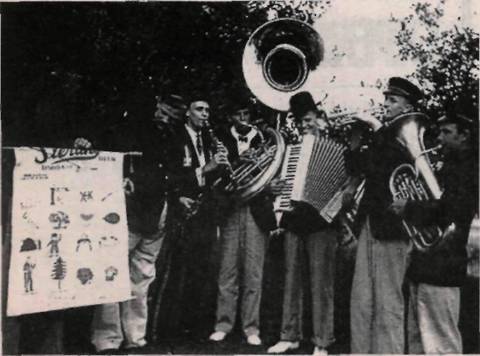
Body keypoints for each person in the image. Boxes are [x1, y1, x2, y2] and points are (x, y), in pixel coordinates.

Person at [88, 91, 180, 353]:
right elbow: (107, 159)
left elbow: (174, 174)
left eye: (171, 117)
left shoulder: (173, 139)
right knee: (111, 273)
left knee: (142, 277)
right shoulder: (129, 130)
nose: (165, 119)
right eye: (163, 113)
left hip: (156, 215)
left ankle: (134, 338)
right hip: (127, 211)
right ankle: (107, 339)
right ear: (156, 106)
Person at [346, 77, 424, 354]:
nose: (386, 104)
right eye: (386, 99)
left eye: (392, 100)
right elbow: (368, 170)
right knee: (362, 299)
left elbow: (395, 165)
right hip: (370, 223)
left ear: (408, 106)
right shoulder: (384, 139)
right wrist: (354, 144)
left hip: (393, 227)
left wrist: (377, 128)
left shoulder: (409, 138)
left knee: (388, 301)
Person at [390, 111, 478, 354]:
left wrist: (409, 206)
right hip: (427, 261)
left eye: (447, 132)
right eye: (439, 132)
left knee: (441, 338)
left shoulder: (470, 169)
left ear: (464, 136)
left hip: (445, 261)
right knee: (417, 337)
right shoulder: (447, 165)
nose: (439, 138)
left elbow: (452, 209)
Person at [267, 92, 338, 356]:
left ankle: (322, 341)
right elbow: (283, 186)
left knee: (322, 284)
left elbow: (346, 189)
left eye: (307, 120)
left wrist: (331, 211)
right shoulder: (293, 152)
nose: (303, 126)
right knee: (291, 281)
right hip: (295, 220)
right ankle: (290, 336)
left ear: (319, 119)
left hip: (322, 224)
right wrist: (279, 191)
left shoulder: (337, 149)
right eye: (299, 122)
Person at [152, 95, 229, 339]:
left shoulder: (208, 139)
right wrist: (206, 169)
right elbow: (170, 175)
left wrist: (222, 169)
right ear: (188, 113)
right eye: (199, 109)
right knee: (175, 271)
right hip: (182, 210)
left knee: (201, 269)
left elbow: (213, 178)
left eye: (207, 110)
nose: (205, 114)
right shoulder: (174, 137)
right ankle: (165, 328)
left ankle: (192, 326)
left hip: (205, 211)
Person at [208, 98, 275, 346]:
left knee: (254, 272)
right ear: (231, 117)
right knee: (228, 270)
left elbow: (274, 173)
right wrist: (236, 165)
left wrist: (256, 170)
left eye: (247, 113)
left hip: (257, 210)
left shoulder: (265, 140)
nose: (244, 118)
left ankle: (251, 328)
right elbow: (214, 177)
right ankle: (223, 324)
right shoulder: (220, 139)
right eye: (239, 113)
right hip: (231, 208)